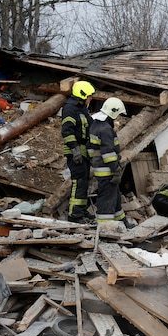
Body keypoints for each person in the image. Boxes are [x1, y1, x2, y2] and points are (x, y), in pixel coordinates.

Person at [89, 97, 129, 226]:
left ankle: (121, 221)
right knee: (107, 197)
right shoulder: (105, 129)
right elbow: (108, 154)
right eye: (117, 114)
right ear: (113, 112)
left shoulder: (96, 124)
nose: (117, 118)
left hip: (100, 166)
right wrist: (115, 171)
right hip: (106, 169)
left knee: (114, 196)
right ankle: (104, 225)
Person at [61, 80, 95, 224]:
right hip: (75, 151)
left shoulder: (82, 109)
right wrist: (75, 149)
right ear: (82, 95)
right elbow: (67, 131)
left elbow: (89, 126)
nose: (90, 99)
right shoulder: (70, 108)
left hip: (83, 150)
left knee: (84, 182)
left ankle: (81, 209)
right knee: (78, 182)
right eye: (89, 96)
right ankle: (75, 215)